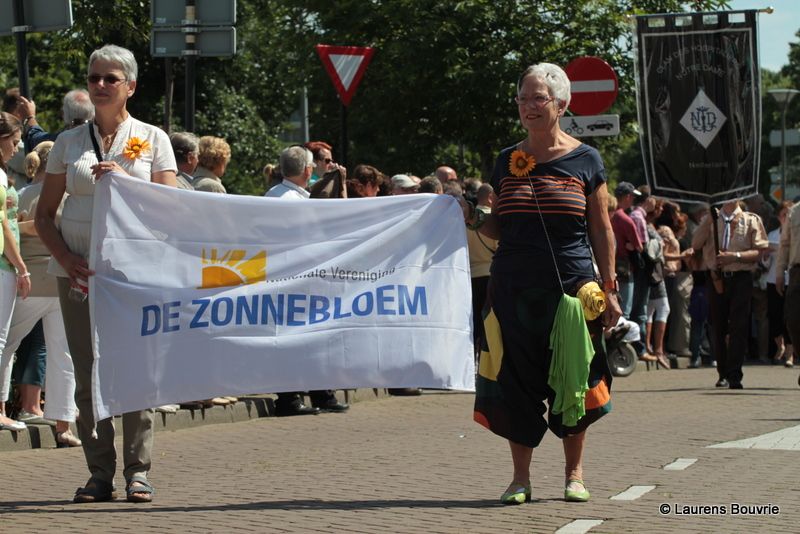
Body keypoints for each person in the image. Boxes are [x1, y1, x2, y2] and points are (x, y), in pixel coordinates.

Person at [468, 63, 619, 504]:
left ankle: (575, 475)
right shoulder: (505, 160)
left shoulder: (586, 160)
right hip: (512, 290)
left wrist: (610, 289)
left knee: (575, 379)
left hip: (572, 290)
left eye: (538, 98)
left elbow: (601, 228)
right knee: (515, 382)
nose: (528, 106)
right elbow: (498, 226)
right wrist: (472, 216)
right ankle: (520, 479)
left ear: (561, 105)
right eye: (522, 98)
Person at [35, 44, 177, 503]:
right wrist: (65, 257)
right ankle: (99, 473)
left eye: (110, 78)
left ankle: (139, 470)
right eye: (94, 77)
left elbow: (170, 209)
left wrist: (127, 182)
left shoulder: (152, 138)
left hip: (133, 274)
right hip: (78, 273)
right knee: (87, 369)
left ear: (130, 86)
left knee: (135, 366)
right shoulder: (68, 142)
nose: (99, 85)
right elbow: (44, 215)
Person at [0, 141, 81, 447]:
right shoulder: (68, 197)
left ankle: (2, 409)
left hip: (30, 280)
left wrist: (23, 226)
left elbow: (12, 230)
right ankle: (64, 425)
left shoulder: (21, 193)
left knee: (7, 344)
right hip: (61, 280)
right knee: (63, 354)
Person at [265, 146, 350, 416]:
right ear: (307, 170)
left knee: (304, 336)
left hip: (286, 277)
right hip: (299, 277)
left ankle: (313, 393)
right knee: (304, 336)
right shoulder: (298, 201)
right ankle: (294, 397)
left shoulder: (273, 195)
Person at [692, 200, 768, 389]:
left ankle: (735, 373)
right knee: (718, 326)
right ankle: (722, 373)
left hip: (741, 277)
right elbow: (696, 244)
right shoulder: (710, 219)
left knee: (738, 326)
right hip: (716, 278)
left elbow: (759, 251)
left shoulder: (751, 220)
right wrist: (708, 221)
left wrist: (735, 256)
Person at [0, 111, 31, 432]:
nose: (18, 147)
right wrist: (22, 267)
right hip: (4, 264)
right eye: (15, 141)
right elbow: (3, 226)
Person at [14, 89, 95, 152]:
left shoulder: (61, 141)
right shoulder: (99, 139)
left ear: (64, 113)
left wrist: (30, 117)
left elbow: (37, 141)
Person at [610, 182, 643, 320]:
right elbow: (639, 247)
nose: (633, 199)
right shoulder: (625, 220)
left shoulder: (607, 215)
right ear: (628, 196)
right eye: (632, 196)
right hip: (624, 268)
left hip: (608, 267)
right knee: (624, 312)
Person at [767, 202, 793, 366]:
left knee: (790, 316)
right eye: (784, 215)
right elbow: (766, 261)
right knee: (775, 315)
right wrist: (765, 255)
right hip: (772, 278)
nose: (787, 218)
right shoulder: (772, 235)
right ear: (778, 217)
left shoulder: (796, 234)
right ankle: (779, 345)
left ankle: (790, 353)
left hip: (792, 279)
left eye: (789, 214)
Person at [777, 201, 800, 373]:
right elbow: (784, 244)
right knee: (793, 319)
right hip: (797, 272)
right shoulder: (794, 211)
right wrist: (779, 272)